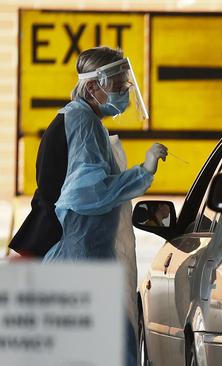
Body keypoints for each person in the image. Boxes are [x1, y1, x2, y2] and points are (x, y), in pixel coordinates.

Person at [9, 46, 166, 366]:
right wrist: (143, 172)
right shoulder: (82, 122)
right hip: (79, 256)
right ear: (93, 86)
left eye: (125, 85)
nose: (124, 92)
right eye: (119, 85)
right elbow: (85, 193)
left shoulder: (79, 119)